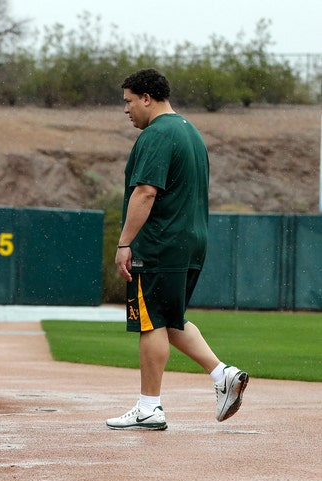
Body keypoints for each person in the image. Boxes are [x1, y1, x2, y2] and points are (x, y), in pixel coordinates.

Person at [106, 68, 248, 431]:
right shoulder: (190, 131)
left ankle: (149, 407)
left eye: (128, 101)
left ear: (146, 98)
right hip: (190, 240)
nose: (126, 109)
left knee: (150, 321)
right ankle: (222, 375)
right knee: (169, 318)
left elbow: (146, 191)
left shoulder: (157, 134)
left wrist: (124, 243)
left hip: (160, 243)